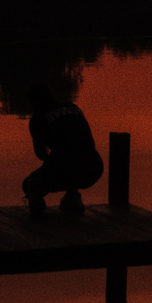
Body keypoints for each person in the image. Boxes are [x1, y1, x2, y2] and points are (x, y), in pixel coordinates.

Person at [11, 71, 104, 215]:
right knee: (69, 159)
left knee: (29, 182)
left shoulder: (38, 118)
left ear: (33, 102)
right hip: (94, 167)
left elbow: (41, 154)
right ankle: (73, 199)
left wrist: (50, 160)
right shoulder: (74, 107)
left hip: (67, 168)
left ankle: (37, 199)